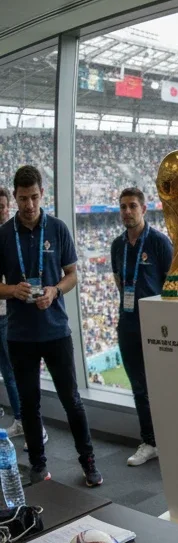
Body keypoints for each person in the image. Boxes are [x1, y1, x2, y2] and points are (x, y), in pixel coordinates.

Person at [0, 166, 101, 486]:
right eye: (22, 198)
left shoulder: (57, 228)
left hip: (56, 329)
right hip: (20, 335)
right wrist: (12, 290)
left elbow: (72, 274)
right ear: (14, 197)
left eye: (33, 197)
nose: (28, 205)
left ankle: (88, 461)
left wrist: (55, 289)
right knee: (29, 404)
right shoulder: (3, 235)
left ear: (42, 194)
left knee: (71, 399)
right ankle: (38, 465)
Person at [111, 187, 172, 467]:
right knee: (139, 387)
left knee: (164, 384)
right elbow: (119, 281)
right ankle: (150, 441)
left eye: (132, 206)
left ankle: (174, 438)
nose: (127, 211)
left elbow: (171, 285)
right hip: (128, 323)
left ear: (144, 209)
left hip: (157, 325)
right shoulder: (117, 246)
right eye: (123, 207)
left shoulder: (159, 242)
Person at [0, 188, 24, 438]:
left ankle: (26, 421)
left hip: (8, 313)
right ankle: (20, 420)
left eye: (2, 206)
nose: (0, 210)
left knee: (13, 370)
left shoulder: (11, 238)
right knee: (6, 371)